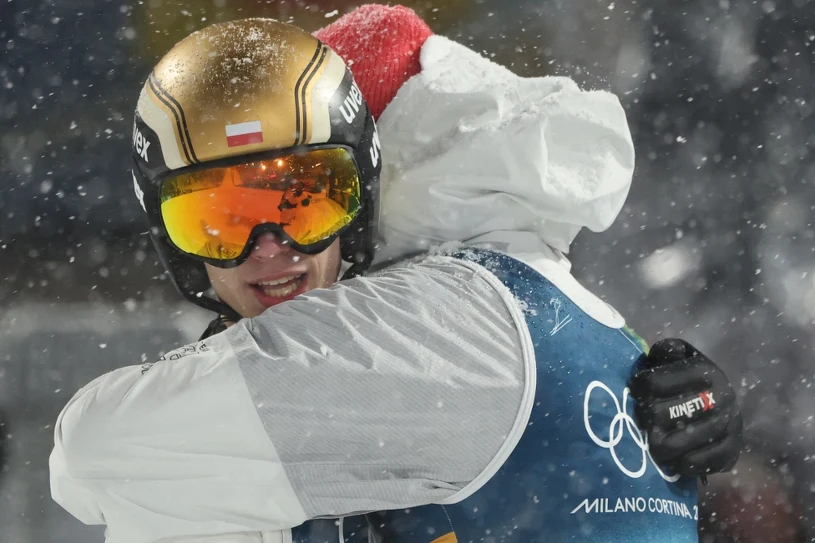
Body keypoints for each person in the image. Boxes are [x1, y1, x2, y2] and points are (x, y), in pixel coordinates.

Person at [49, 6, 743, 543]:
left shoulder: (445, 317)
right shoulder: (523, 299)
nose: (270, 247)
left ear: (377, 189)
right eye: (220, 218)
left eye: (306, 199)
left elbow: (93, 453)